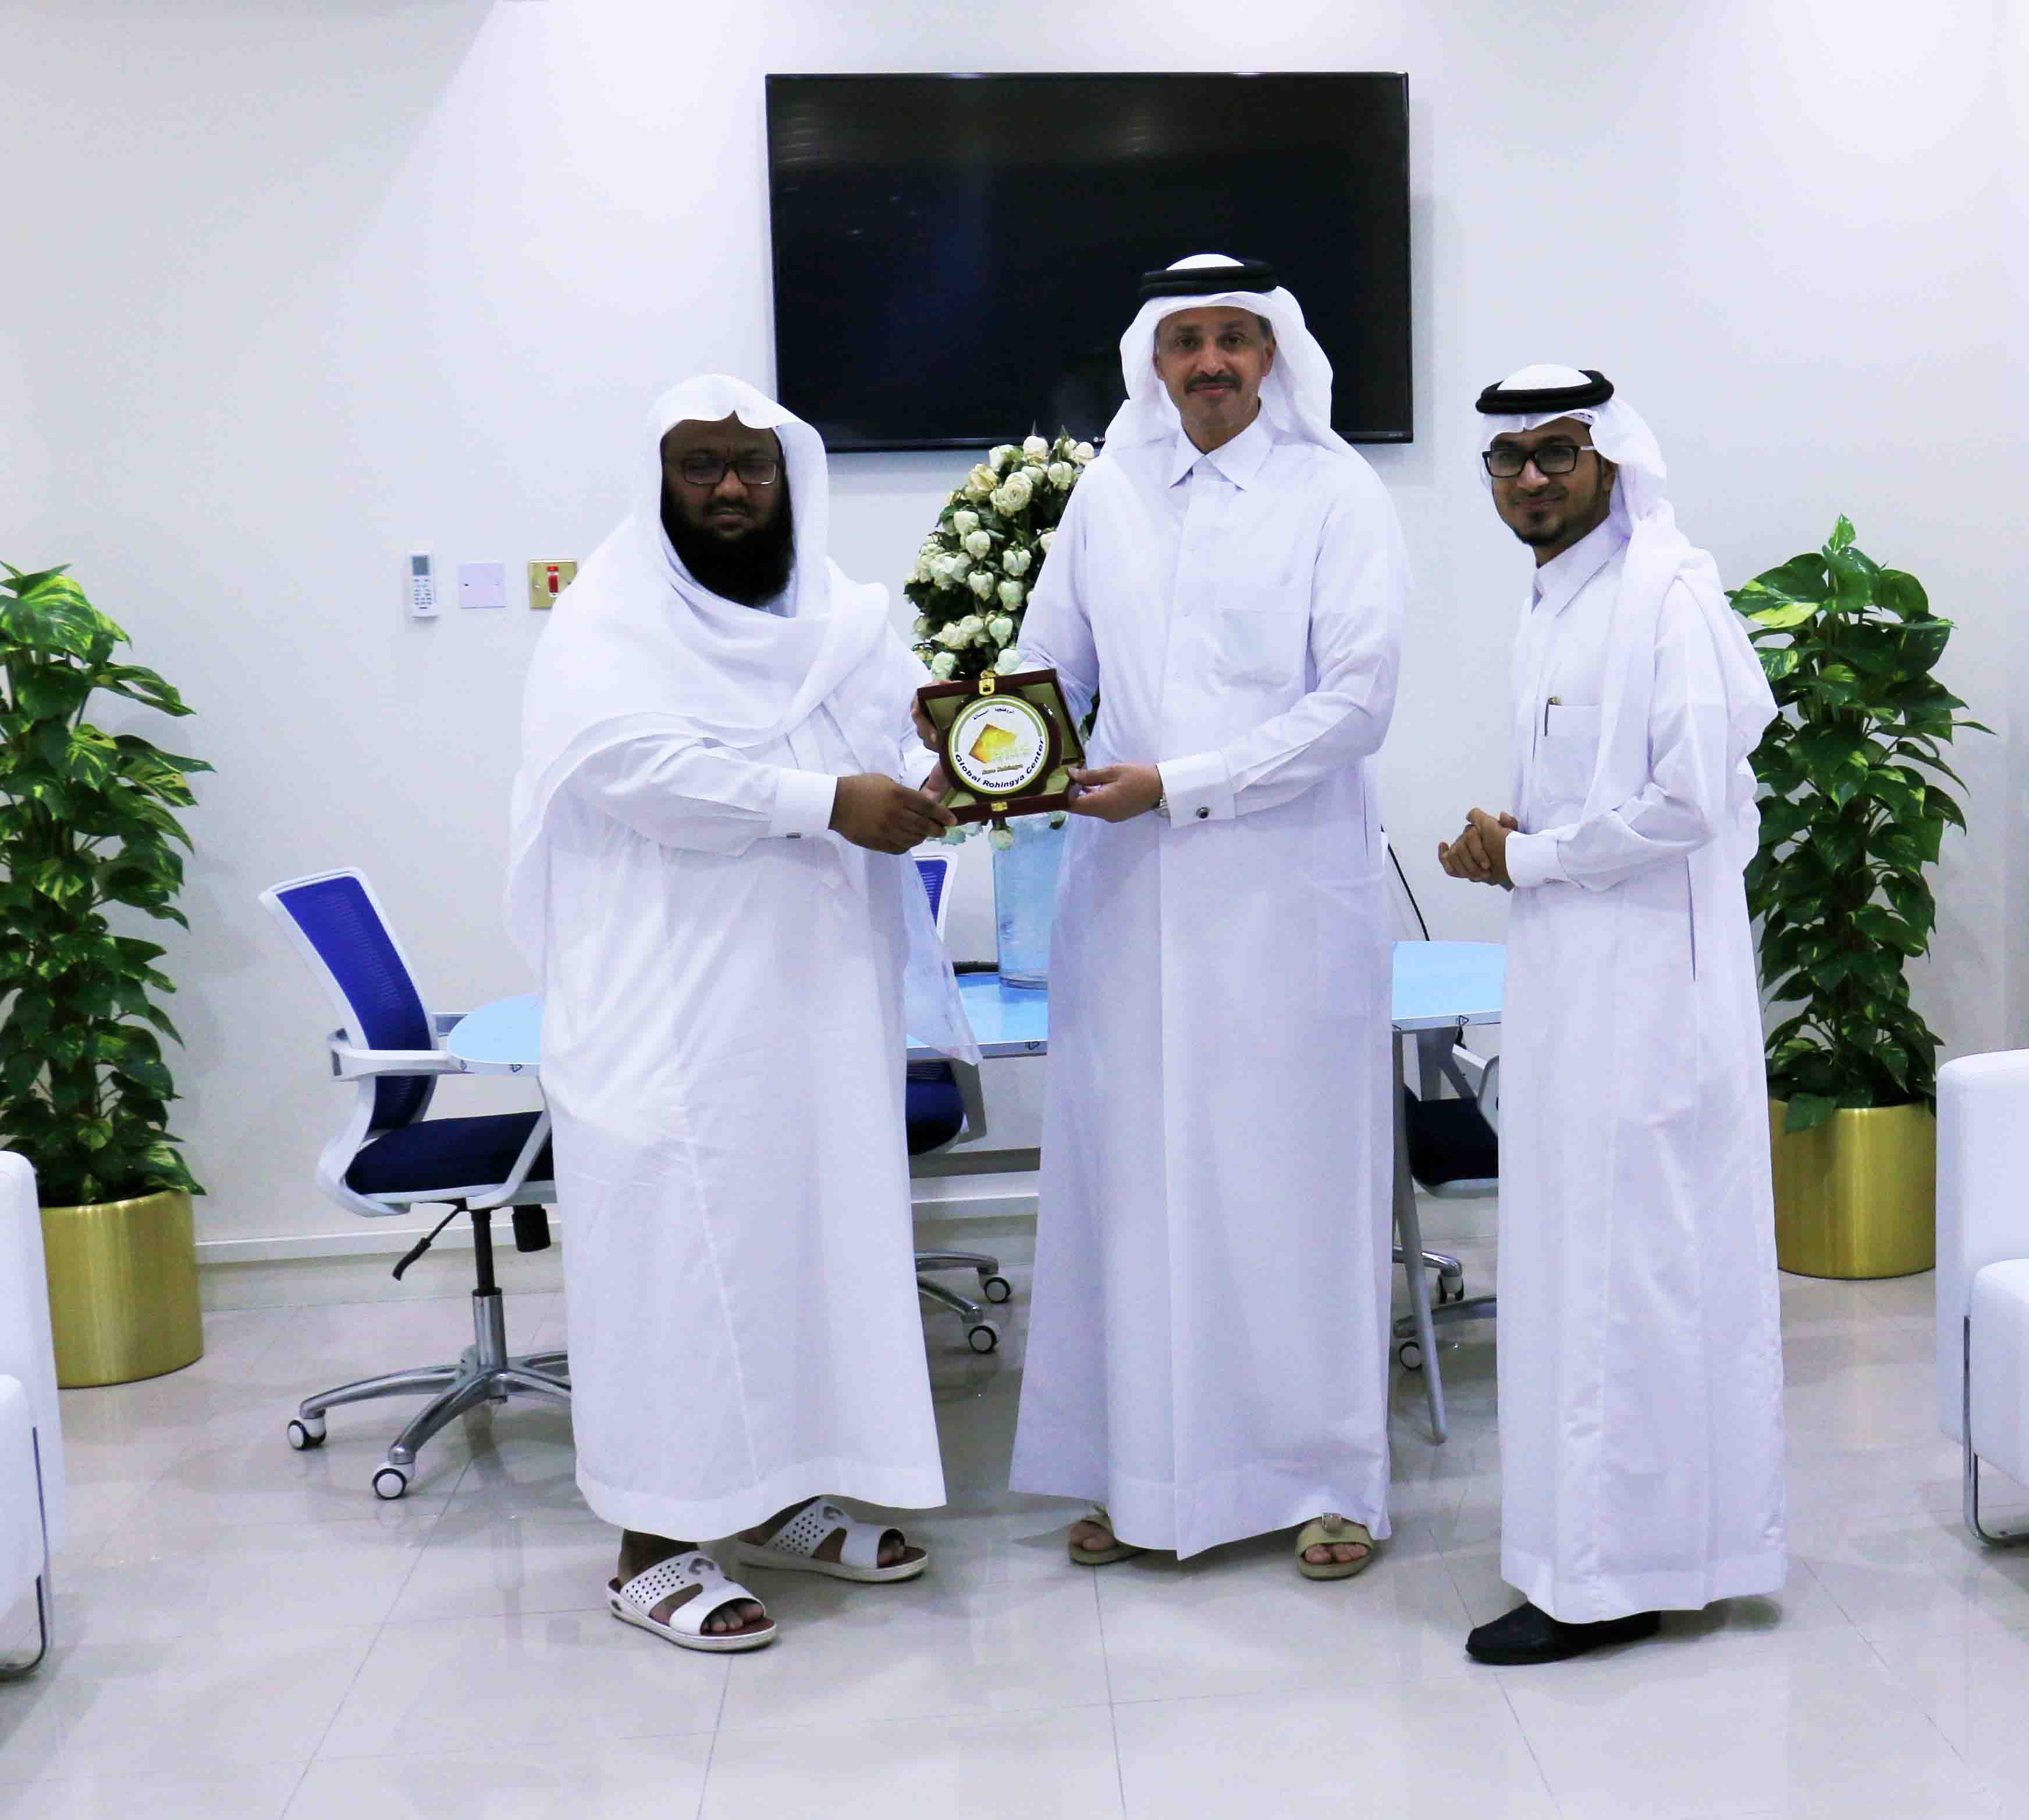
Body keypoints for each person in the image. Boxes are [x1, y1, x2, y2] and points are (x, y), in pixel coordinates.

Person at [506, 374, 975, 1652]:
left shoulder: (839, 617)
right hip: (665, 1015)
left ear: (789, 480)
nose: (729, 488)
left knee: (807, 1250)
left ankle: (781, 1500)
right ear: (660, 481)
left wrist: (959, 767)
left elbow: (901, 737)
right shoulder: (607, 618)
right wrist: (828, 804)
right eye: (702, 465)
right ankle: (651, 1544)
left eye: (751, 468)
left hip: (815, 1006)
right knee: (676, 1266)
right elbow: (636, 770)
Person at [1003, 254, 1406, 1578]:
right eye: (1188, 341)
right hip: (1125, 905)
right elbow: (1046, 664)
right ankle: (1143, 1482)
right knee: (1133, 1190)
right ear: (1154, 359)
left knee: (1289, 1191)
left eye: (1235, 338)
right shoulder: (1107, 496)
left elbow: (1356, 704)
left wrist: (1179, 784)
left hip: (1281, 909)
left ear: (1273, 354)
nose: (1212, 363)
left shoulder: (1337, 494)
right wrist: (981, 743)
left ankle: (1326, 1482)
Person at [1438, 364, 1786, 1663]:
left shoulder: (1664, 596)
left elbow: (1690, 803)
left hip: (1648, 993)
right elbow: (1603, 795)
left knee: (1621, 1270)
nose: (1532, 476)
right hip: (1576, 974)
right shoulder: (1555, 601)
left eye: (1557, 452)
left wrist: (1530, 854)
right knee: (1589, 1263)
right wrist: (1513, 841)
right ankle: (1650, 1548)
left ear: (1609, 460)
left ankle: (1608, 1579)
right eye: (1509, 457)